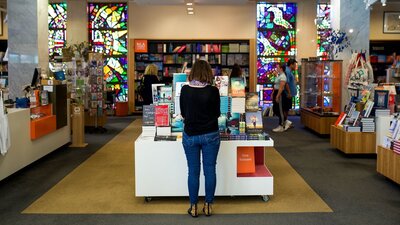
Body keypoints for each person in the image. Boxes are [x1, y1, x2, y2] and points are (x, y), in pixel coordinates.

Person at [180, 60, 221, 217]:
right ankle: (209, 205)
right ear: (208, 73)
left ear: (193, 72)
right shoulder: (213, 91)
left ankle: (194, 206)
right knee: (210, 170)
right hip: (211, 134)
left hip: (190, 134)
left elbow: (183, 113)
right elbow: (217, 113)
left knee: (193, 171)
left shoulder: (185, 90)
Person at [272, 63, 288, 132]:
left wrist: (277, 96)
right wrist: (273, 93)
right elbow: (276, 85)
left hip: (280, 94)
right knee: (275, 109)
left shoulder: (283, 77)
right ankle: (286, 121)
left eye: (277, 67)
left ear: (281, 68)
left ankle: (281, 126)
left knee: (280, 110)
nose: (276, 69)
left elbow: (281, 88)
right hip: (276, 92)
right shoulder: (279, 76)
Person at [284, 58, 297, 130]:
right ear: (291, 64)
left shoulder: (290, 71)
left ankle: (286, 123)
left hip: (290, 93)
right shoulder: (287, 71)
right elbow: (286, 83)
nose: (295, 66)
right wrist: (289, 92)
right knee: (286, 109)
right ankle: (284, 123)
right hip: (287, 94)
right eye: (294, 65)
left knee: (287, 109)